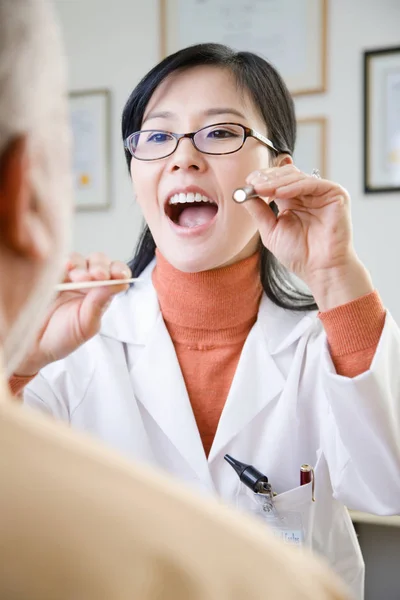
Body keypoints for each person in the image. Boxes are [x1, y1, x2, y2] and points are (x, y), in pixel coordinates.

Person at [13, 41, 400, 599]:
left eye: (220, 132)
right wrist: (16, 367)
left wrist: (336, 272)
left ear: (278, 173)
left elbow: (389, 487)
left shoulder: (327, 344)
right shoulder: (68, 344)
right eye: (158, 135)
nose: (183, 157)